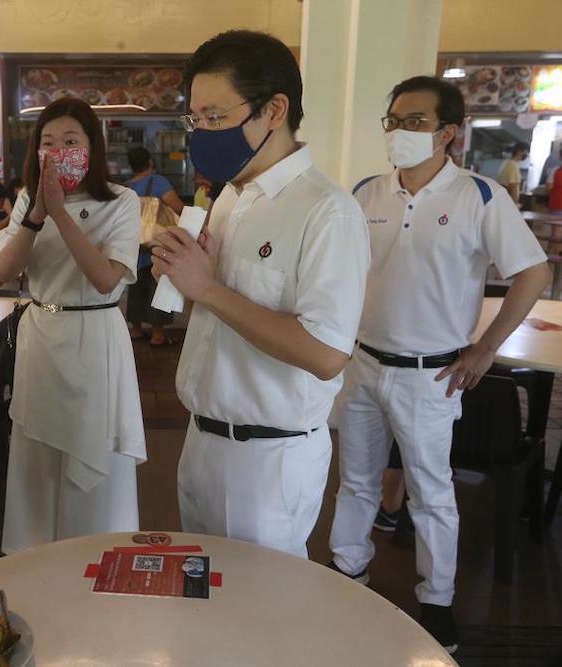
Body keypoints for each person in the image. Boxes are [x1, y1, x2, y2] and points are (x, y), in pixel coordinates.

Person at [329, 76, 551, 654]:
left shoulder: (478, 196)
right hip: (363, 362)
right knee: (355, 481)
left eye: (416, 122)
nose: (400, 132)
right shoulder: (364, 194)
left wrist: (486, 348)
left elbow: (532, 272)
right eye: (394, 120)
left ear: (448, 132)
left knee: (431, 491)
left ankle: (437, 603)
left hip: (432, 375)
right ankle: (348, 575)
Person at [151, 30, 370, 559]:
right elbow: (217, 315)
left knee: (259, 622)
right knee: (205, 607)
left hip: (268, 459)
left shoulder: (327, 211)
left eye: (216, 117)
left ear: (274, 110)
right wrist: (185, 278)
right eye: (195, 119)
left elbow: (325, 354)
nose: (202, 133)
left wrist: (208, 287)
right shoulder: (230, 196)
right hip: (202, 439)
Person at [0, 97, 146, 554]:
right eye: (48, 142)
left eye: (70, 141)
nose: (58, 151)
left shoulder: (121, 201)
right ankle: (37, 560)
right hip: (41, 336)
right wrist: (38, 213)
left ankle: (98, 557)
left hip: (96, 339)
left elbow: (105, 279)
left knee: (93, 459)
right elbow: (3, 270)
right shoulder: (26, 201)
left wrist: (61, 212)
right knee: (38, 460)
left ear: (92, 148)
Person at [126, 146, 184, 346]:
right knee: (156, 287)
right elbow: (176, 206)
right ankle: (158, 334)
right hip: (156, 245)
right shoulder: (158, 182)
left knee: (135, 287)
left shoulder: (126, 188)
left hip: (133, 247)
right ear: (149, 162)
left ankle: (136, 330)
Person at [496, 141, 529, 205]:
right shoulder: (513, 165)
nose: (527, 154)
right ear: (519, 151)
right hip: (507, 202)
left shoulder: (507, 162)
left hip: (502, 200)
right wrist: (514, 204)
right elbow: (513, 186)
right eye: (526, 151)